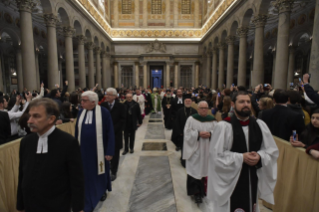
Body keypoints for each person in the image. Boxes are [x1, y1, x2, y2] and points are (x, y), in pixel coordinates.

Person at [207, 91, 279, 212]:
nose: (246, 104)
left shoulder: (260, 125)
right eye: (241, 102)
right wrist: (241, 157)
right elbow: (216, 156)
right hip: (231, 183)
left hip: (251, 178)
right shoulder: (224, 127)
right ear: (233, 104)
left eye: (248, 102)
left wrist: (260, 157)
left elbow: (272, 152)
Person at [16, 98, 84, 212]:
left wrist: (78, 208)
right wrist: (20, 205)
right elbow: (22, 175)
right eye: (30, 116)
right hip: (31, 206)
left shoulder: (68, 142)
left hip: (57, 206)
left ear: (51, 119)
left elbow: (77, 179)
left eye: (36, 116)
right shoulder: (26, 142)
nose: (29, 121)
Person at [75, 91, 115, 212]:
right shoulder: (81, 112)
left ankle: (101, 190)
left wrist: (109, 151)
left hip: (99, 150)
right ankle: (86, 191)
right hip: (83, 150)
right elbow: (77, 131)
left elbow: (110, 133)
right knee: (85, 172)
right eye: (81, 100)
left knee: (100, 170)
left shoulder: (104, 112)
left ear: (93, 102)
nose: (81, 103)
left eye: (84, 100)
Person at [183, 101, 217, 204]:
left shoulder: (212, 121)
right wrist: (197, 134)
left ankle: (205, 191)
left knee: (207, 169)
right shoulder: (191, 119)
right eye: (202, 108)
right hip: (195, 150)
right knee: (194, 170)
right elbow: (187, 133)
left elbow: (218, 133)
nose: (204, 110)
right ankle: (196, 193)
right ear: (198, 109)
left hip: (208, 150)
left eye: (205, 108)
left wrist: (211, 134)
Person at [101, 88, 126, 181]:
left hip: (116, 133)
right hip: (105, 133)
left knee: (115, 153)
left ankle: (114, 171)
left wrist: (113, 129)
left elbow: (123, 119)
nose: (107, 96)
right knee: (105, 152)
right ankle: (106, 169)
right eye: (106, 94)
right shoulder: (102, 106)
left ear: (115, 96)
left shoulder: (120, 106)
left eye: (109, 95)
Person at [171, 94, 197, 166]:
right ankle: (184, 161)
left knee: (191, 147)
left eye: (189, 101)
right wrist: (179, 132)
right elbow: (177, 123)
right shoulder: (180, 111)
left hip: (192, 134)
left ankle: (191, 160)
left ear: (191, 102)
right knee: (183, 147)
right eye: (186, 101)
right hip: (183, 133)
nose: (188, 102)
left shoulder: (195, 112)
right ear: (184, 102)